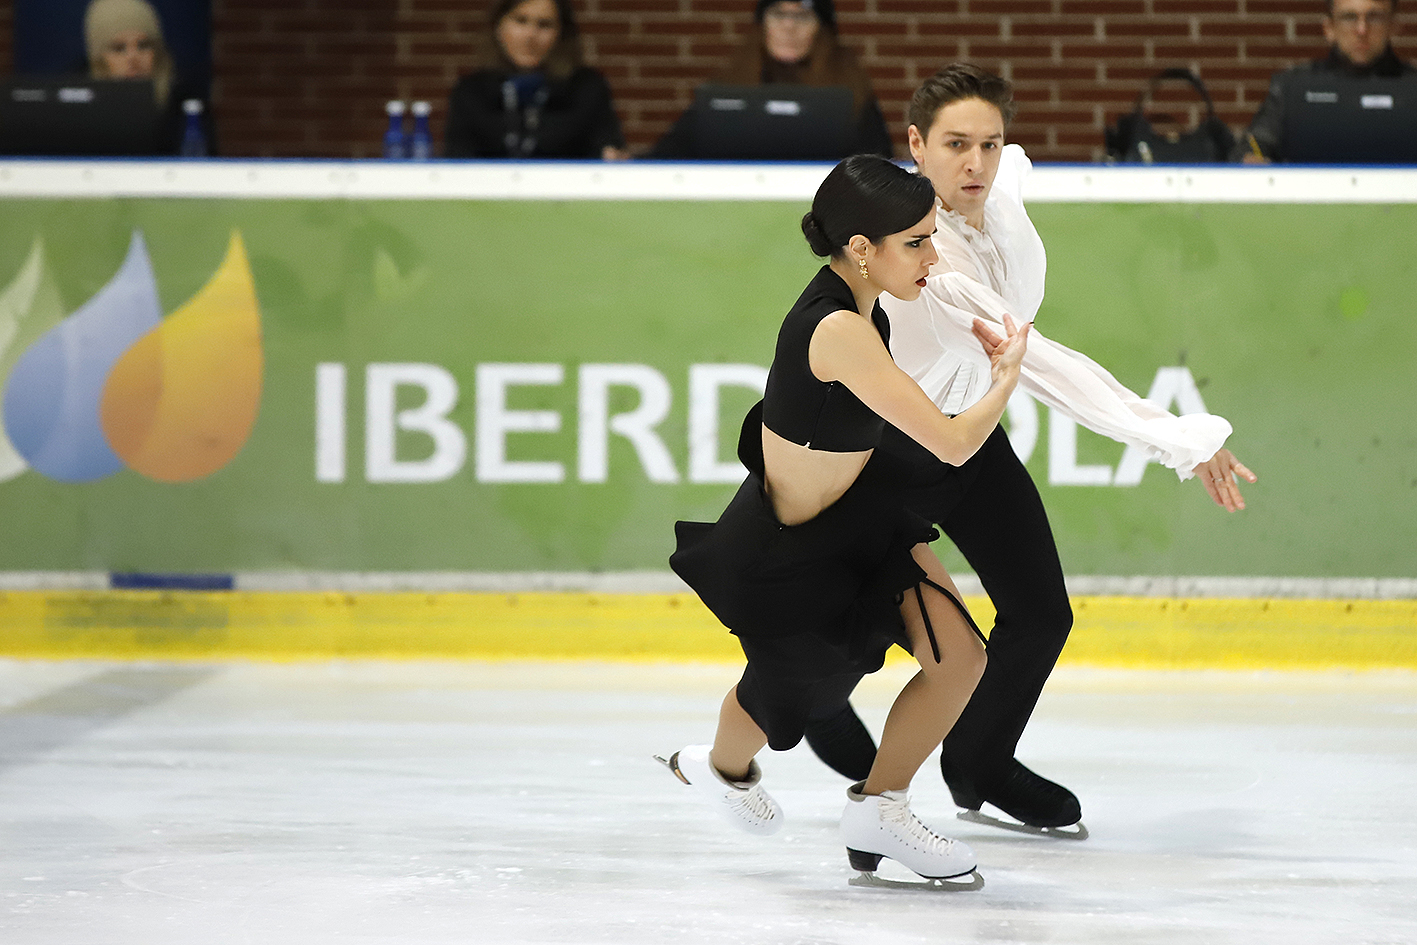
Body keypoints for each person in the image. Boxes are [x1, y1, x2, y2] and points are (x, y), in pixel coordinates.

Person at [802, 64, 1257, 831]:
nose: (974, 163)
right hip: (890, 450)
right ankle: (811, 690)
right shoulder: (927, 260)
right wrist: (1181, 436)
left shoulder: (999, 186)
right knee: (875, 611)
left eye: (988, 142)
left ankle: (977, 761)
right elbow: (1042, 367)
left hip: (967, 436)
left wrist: (1001, 156)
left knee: (1040, 614)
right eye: (953, 145)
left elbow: (1012, 169)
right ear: (915, 146)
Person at [662, 154, 1031, 881]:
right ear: (861, 249)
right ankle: (716, 769)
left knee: (960, 658)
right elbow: (954, 442)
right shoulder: (835, 329)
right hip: (790, 556)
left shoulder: (864, 302)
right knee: (778, 694)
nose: (931, 254)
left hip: (860, 518)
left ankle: (878, 805)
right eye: (917, 242)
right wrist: (1006, 375)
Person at [648, 0, 893, 159]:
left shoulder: (851, 92)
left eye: (802, 17)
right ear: (763, 25)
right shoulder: (731, 86)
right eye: (778, 15)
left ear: (822, 30)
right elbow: (672, 151)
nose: (788, 26)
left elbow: (878, 160)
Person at [1231, 0, 1413, 162]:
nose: (1361, 30)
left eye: (1374, 17)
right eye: (1349, 17)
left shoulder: (1412, 88)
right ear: (1329, 28)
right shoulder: (1293, 89)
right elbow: (1251, 149)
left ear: (1393, 26)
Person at [444, 0, 627, 160]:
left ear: (561, 33)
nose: (530, 35)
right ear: (499, 25)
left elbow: (606, 150)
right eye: (520, 21)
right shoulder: (471, 91)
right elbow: (458, 159)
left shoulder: (586, 89)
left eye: (544, 24)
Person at [84, 0, 216, 155]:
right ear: (98, 60)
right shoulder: (78, 102)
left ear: (157, 52)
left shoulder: (185, 106)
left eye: (143, 45)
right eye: (119, 48)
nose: (133, 58)